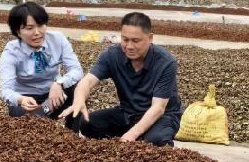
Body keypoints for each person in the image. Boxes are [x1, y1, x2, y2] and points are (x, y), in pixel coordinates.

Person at [60, 11, 182, 146]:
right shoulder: (112, 55)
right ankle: (132, 139)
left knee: (156, 141)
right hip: (127, 113)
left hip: (162, 116)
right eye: (125, 39)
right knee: (87, 124)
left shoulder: (165, 62)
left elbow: (158, 108)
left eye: (136, 41)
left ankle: (141, 137)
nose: (129, 46)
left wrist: (131, 135)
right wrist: (78, 99)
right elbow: (87, 81)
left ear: (150, 38)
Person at [0, 2, 82, 123]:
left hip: (54, 96)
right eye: (29, 28)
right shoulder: (11, 51)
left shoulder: (58, 39)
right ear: (17, 31)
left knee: (80, 88)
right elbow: (5, 90)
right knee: (38, 121)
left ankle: (74, 135)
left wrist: (59, 83)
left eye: (41, 25)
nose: (37, 32)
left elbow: (76, 70)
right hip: (28, 102)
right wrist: (21, 99)